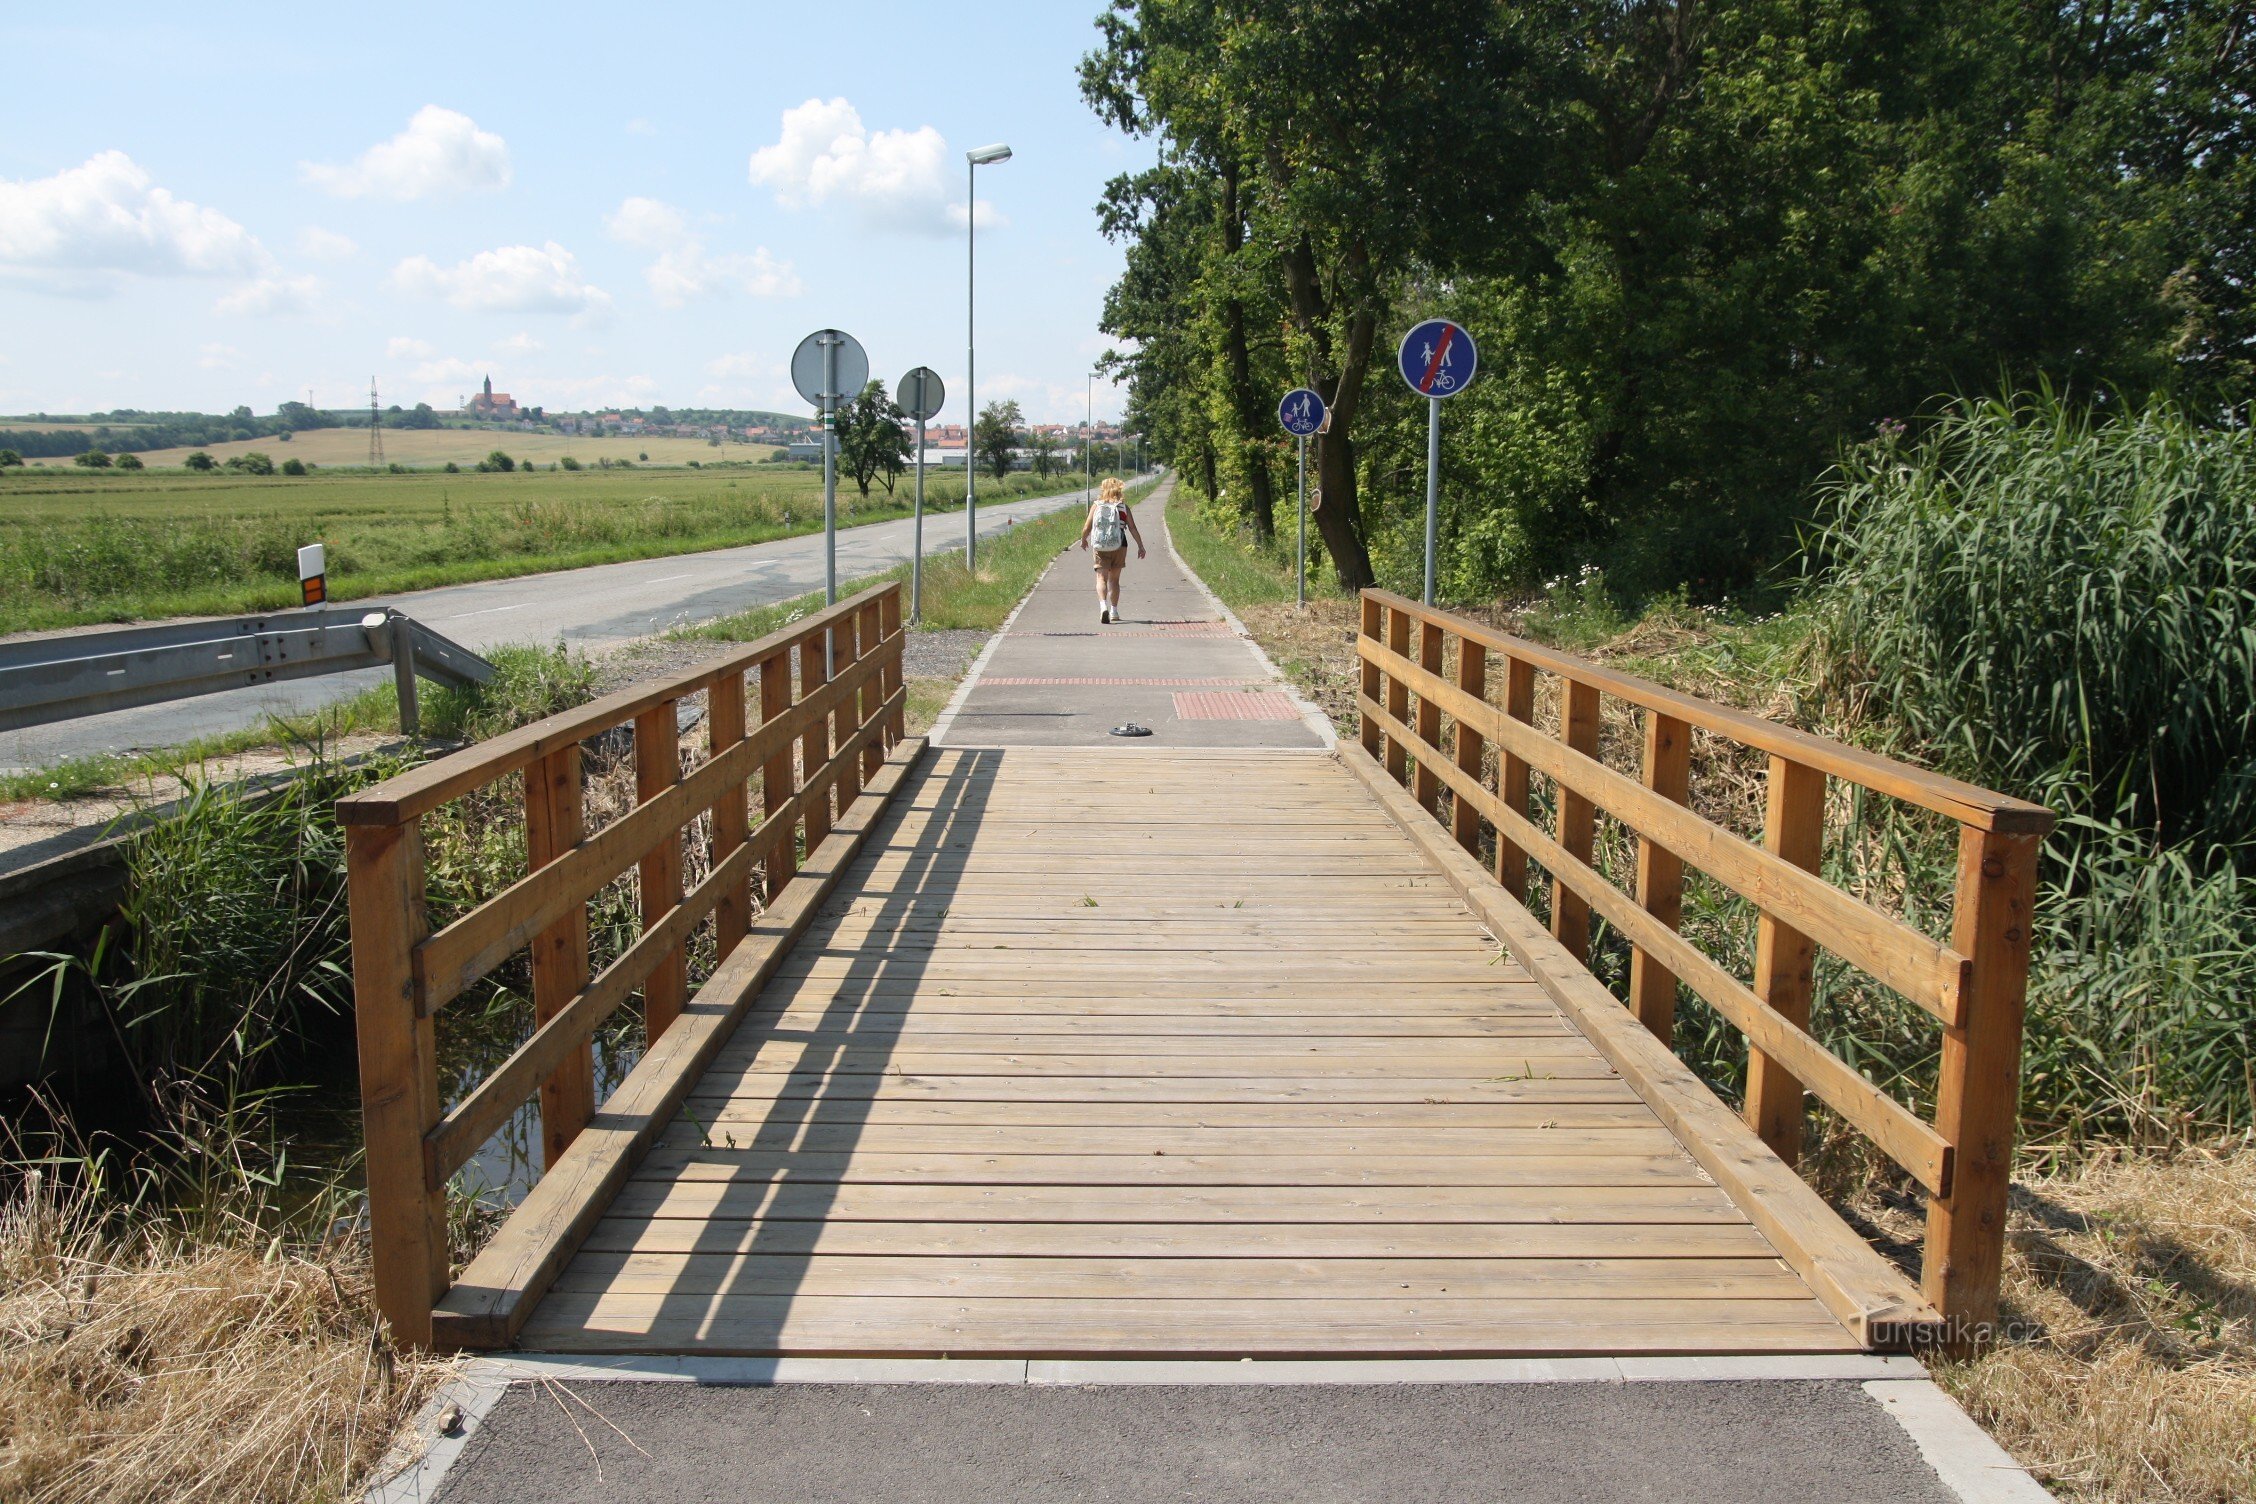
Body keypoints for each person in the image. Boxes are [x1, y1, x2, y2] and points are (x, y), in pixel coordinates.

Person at [1077, 476, 1145, 624]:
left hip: (1100, 546)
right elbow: (1132, 528)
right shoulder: (1123, 507)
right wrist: (1140, 546)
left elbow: (1087, 527)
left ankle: (1103, 607)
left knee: (1101, 578)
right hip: (1120, 545)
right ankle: (1114, 611)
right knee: (1114, 580)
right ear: (1119, 489)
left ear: (1103, 489)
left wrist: (1083, 539)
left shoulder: (1096, 505)